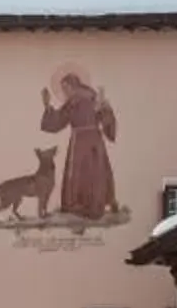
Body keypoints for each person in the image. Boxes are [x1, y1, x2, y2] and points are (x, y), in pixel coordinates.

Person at [37, 69, 118, 220]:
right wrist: (105, 107)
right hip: (93, 140)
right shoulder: (93, 97)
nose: (64, 92)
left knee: (84, 173)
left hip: (81, 141)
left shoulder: (74, 101)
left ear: (72, 86)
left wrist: (47, 106)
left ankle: (81, 207)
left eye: (65, 88)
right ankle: (93, 206)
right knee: (93, 172)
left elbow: (58, 121)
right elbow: (106, 117)